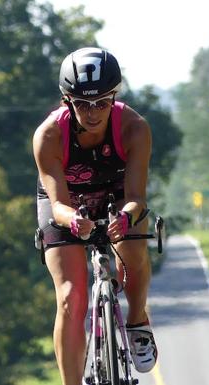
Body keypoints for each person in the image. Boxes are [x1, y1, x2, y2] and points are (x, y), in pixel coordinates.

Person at [33, 47, 157, 385]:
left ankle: (137, 319)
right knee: (71, 297)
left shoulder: (134, 128)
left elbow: (136, 198)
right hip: (67, 203)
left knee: (132, 247)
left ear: (114, 96)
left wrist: (127, 219)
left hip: (117, 192)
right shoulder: (49, 136)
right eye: (82, 103)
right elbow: (57, 206)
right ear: (66, 100)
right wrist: (73, 220)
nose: (92, 112)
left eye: (102, 102)